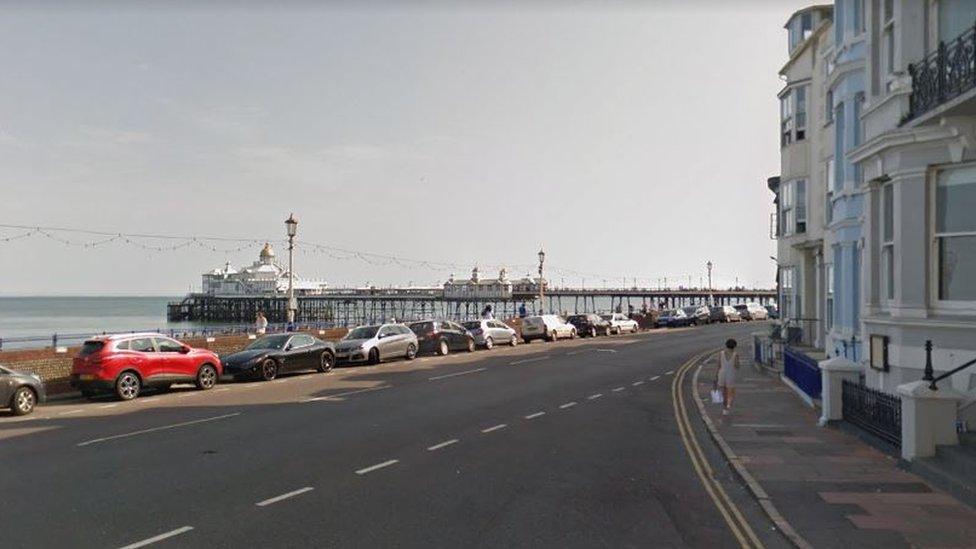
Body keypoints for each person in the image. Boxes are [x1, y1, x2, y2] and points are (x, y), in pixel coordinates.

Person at [716, 338, 740, 415]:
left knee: (724, 392)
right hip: (730, 374)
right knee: (731, 392)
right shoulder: (735, 355)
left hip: (722, 374)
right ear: (734, 346)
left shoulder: (721, 353)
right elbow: (737, 366)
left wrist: (716, 375)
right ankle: (728, 406)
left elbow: (718, 365)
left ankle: (724, 408)